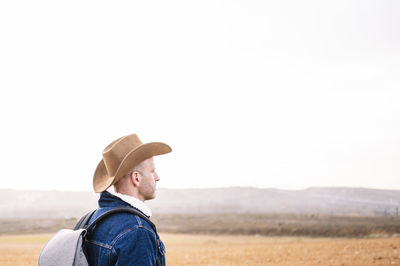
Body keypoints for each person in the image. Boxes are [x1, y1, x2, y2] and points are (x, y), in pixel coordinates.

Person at [85, 133, 171, 266]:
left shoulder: (96, 218)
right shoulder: (137, 231)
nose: (157, 177)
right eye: (152, 171)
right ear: (136, 178)